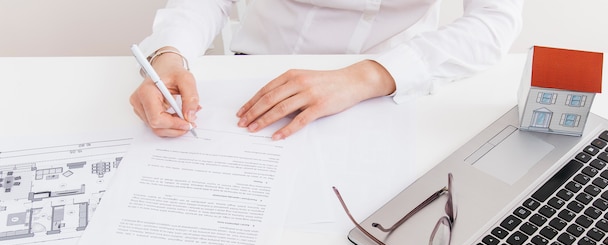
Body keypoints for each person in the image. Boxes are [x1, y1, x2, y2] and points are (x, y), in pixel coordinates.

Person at [130, 0, 523, 140]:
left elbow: (494, 23)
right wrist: (169, 53)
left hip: (386, 88)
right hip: (257, 77)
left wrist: (366, 76)